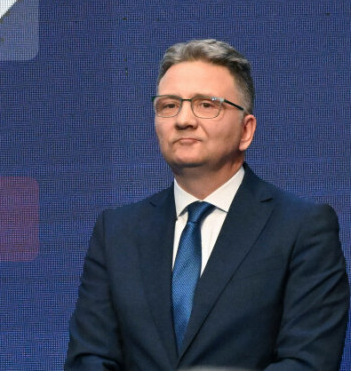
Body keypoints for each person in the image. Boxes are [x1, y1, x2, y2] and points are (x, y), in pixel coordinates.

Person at [65, 39, 349, 370]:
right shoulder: (117, 231)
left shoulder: (302, 228)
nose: (183, 119)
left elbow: (307, 363)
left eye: (206, 104)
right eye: (169, 105)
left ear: (246, 130)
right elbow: (89, 358)